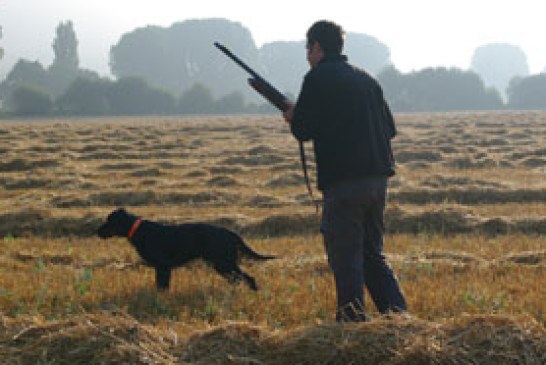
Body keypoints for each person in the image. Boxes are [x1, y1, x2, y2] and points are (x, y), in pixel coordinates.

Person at [282, 20, 407, 321]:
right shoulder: (367, 80)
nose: (307, 55)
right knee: (372, 255)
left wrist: (292, 116)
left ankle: (351, 326)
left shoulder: (316, 79)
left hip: (344, 184)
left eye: (307, 48)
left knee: (345, 257)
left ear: (318, 47)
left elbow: (303, 130)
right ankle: (400, 319)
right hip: (378, 182)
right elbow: (388, 130)